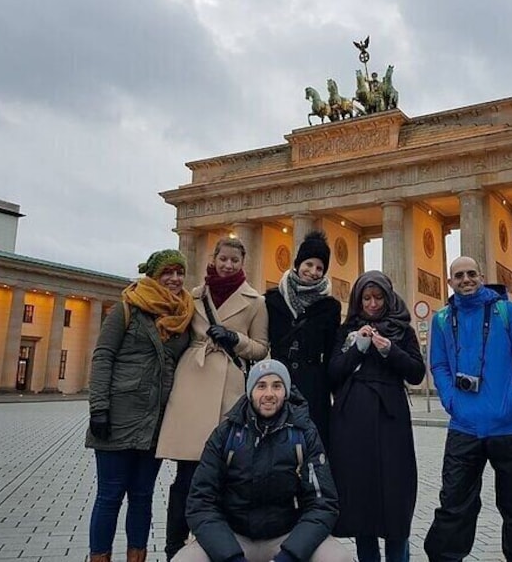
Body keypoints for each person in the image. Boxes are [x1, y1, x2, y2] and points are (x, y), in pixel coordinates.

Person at [157, 237, 270, 560]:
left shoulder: (256, 301)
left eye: (234, 260)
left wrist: (236, 339)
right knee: (186, 476)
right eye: (223, 259)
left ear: (243, 263)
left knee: (224, 474)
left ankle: (216, 545)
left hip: (228, 388)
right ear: (214, 258)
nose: (228, 265)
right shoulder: (193, 296)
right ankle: (174, 546)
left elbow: (262, 348)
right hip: (192, 382)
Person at [423, 257, 512, 562]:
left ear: (481, 276)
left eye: (471, 274)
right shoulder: (442, 319)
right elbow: (438, 364)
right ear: (449, 282)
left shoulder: (507, 312)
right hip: (464, 427)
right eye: (458, 275)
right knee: (453, 506)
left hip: (511, 427)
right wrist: (450, 400)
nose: (465, 279)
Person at [174, 359, 351, 562]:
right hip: (233, 537)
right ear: (250, 392)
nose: (269, 394)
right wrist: (230, 557)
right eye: (261, 386)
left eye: (277, 386)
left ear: (286, 392)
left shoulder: (304, 433)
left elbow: (323, 503)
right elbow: (200, 502)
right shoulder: (226, 434)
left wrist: (290, 555)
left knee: (338, 558)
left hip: (288, 536)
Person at [86, 249, 194, 562]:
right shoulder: (127, 308)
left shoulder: (184, 313)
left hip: (156, 421)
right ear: (154, 275)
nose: (175, 279)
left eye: (179, 273)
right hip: (119, 416)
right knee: (109, 496)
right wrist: (99, 408)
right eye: (167, 273)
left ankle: (137, 557)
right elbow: (103, 356)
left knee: (142, 496)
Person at [328, 270, 425, 562]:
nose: (372, 304)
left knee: (396, 496)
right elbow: (333, 374)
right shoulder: (348, 330)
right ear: (358, 300)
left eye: (378, 298)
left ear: (388, 298)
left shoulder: (402, 330)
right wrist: (357, 349)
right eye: (366, 298)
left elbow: (416, 373)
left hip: (391, 420)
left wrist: (390, 351)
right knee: (361, 499)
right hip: (352, 421)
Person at [265, 230, 341, 449]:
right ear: (298, 264)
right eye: (309, 264)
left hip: (314, 388)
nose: (313, 271)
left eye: (320, 268)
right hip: (278, 382)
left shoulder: (330, 307)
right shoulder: (272, 300)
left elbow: (331, 351)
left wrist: (334, 390)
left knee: (312, 446)